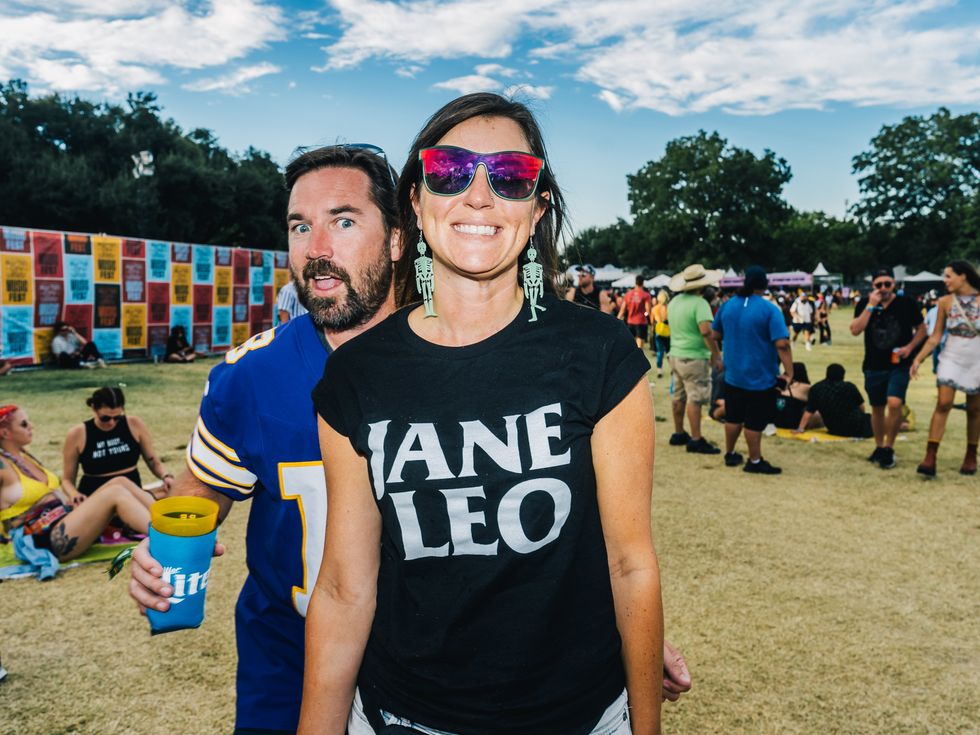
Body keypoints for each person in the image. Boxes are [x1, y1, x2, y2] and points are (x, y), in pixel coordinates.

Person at [128, 143, 693, 733]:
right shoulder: (253, 375)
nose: (317, 249)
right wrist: (155, 550)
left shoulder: (474, 350)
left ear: (400, 238)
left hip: (439, 671)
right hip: (290, 667)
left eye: (343, 222)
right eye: (300, 226)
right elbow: (198, 495)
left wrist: (618, 635)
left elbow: (536, 535)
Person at [300, 93, 664, 735]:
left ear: (538, 206)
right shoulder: (358, 376)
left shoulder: (599, 352)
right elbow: (343, 588)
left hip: (580, 719)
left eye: (511, 176)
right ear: (416, 202)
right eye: (448, 171)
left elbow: (630, 565)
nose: (478, 196)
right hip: (404, 718)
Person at [0, 405, 151, 565]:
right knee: (115, 493)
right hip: (42, 539)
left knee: (119, 481)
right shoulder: (3, 466)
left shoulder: (23, 457)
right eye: (24, 424)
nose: (31, 426)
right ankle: (165, 537)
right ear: (5, 433)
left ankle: (166, 520)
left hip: (62, 520)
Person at [711, 266, 792, 474]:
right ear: (764, 285)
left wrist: (727, 345)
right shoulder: (769, 309)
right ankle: (754, 461)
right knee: (754, 422)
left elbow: (715, 334)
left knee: (733, 417)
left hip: (733, 374)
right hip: (760, 376)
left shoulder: (728, 306)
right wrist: (789, 372)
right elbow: (782, 344)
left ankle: (730, 453)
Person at [850, 267, 926, 469]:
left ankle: (889, 448)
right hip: (873, 364)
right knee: (877, 408)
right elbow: (855, 330)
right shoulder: (865, 304)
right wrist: (871, 306)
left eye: (887, 284)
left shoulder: (906, 303)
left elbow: (922, 329)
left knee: (894, 403)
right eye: (879, 284)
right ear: (873, 286)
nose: (883, 288)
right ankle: (879, 446)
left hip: (899, 364)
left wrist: (910, 348)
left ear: (894, 284)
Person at [911, 260, 980, 476]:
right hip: (951, 357)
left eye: (949, 276)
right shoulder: (944, 302)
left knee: (975, 409)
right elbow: (935, 337)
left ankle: (971, 455)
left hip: (977, 359)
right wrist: (918, 358)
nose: (945, 280)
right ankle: (930, 456)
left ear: (963, 276)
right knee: (943, 403)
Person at [62, 386, 174, 499]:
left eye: (117, 418)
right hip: (96, 497)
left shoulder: (134, 424)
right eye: (105, 418)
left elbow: (153, 461)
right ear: (94, 409)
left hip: (132, 494)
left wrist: (165, 476)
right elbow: (67, 480)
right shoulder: (77, 434)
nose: (111, 423)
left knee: (176, 489)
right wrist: (74, 495)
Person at [666, 263, 723, 454]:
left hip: (675, 354)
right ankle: (696, 439)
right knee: (695, 398)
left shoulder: (674, 302)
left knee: (678, 396)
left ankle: (679, 432)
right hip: (694, 357)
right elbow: (706, 332)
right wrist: (716, 355)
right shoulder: (700, 304)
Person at [794, 364, 873, 438]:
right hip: (856, 426)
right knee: (874, 419)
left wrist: (800, 428)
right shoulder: (849, 387)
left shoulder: (816, 388)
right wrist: (863, 418)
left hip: (834, 429)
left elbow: (809, 411)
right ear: (843, 375)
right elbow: (861, 407)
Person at [619, 274, 653, 348]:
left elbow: (622, 310)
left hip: (630, 322)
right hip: (641, 322)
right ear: (643, 283)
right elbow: (648, 310)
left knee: (630, 345)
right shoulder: (646, 295)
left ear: (635, 282)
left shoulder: (628, 294)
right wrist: (651, 321)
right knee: (639, 347)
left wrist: (617, 319)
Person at [650, 290, 670, 378]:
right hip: (668, 331)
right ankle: (673, 368)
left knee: (659, 351)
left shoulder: (654, 309)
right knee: (669, 351)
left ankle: (659, 370)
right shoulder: (669, 308)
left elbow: (652, 322)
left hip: (658, 331)